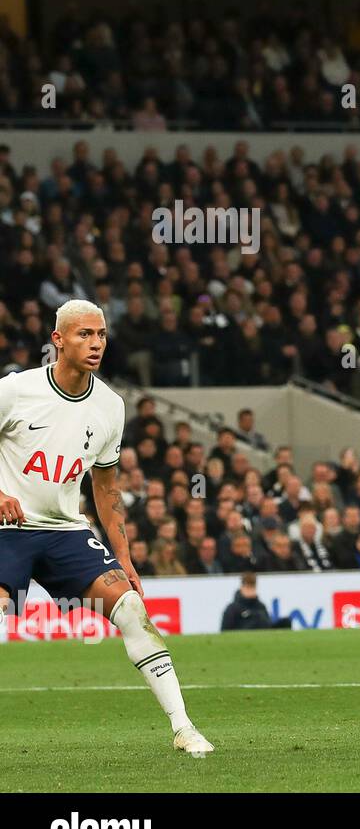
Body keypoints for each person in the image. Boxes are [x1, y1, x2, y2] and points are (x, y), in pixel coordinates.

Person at [0, 299, 212, 755]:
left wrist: (125, 558)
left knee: (132, 608)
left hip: (65, 531)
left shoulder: (110, 407)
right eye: (83, 334)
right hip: (6, 528)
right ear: (58, 340)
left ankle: (184, 728)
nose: (95, 344)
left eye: (100, 335)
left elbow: (106, 490)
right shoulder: (16, 390)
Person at [220, 571, 291, 630]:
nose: (250, 590)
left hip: (263, 638)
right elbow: (225, 631)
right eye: (248, 587)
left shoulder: (261, 606)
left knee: (286, 622)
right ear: (242, 587)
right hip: (243, 639)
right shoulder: (232, 609)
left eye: (252, 587)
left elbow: (268, 625)